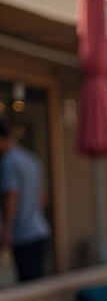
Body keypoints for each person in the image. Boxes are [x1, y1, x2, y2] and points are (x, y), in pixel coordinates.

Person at [0, 119, 52, 281]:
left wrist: (7, 231)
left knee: (29, 282)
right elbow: (42, 197)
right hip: (41, 229)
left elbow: (11, 196)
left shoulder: (8, 162)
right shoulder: (31, 159)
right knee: (37, 280)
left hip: (24, 234)